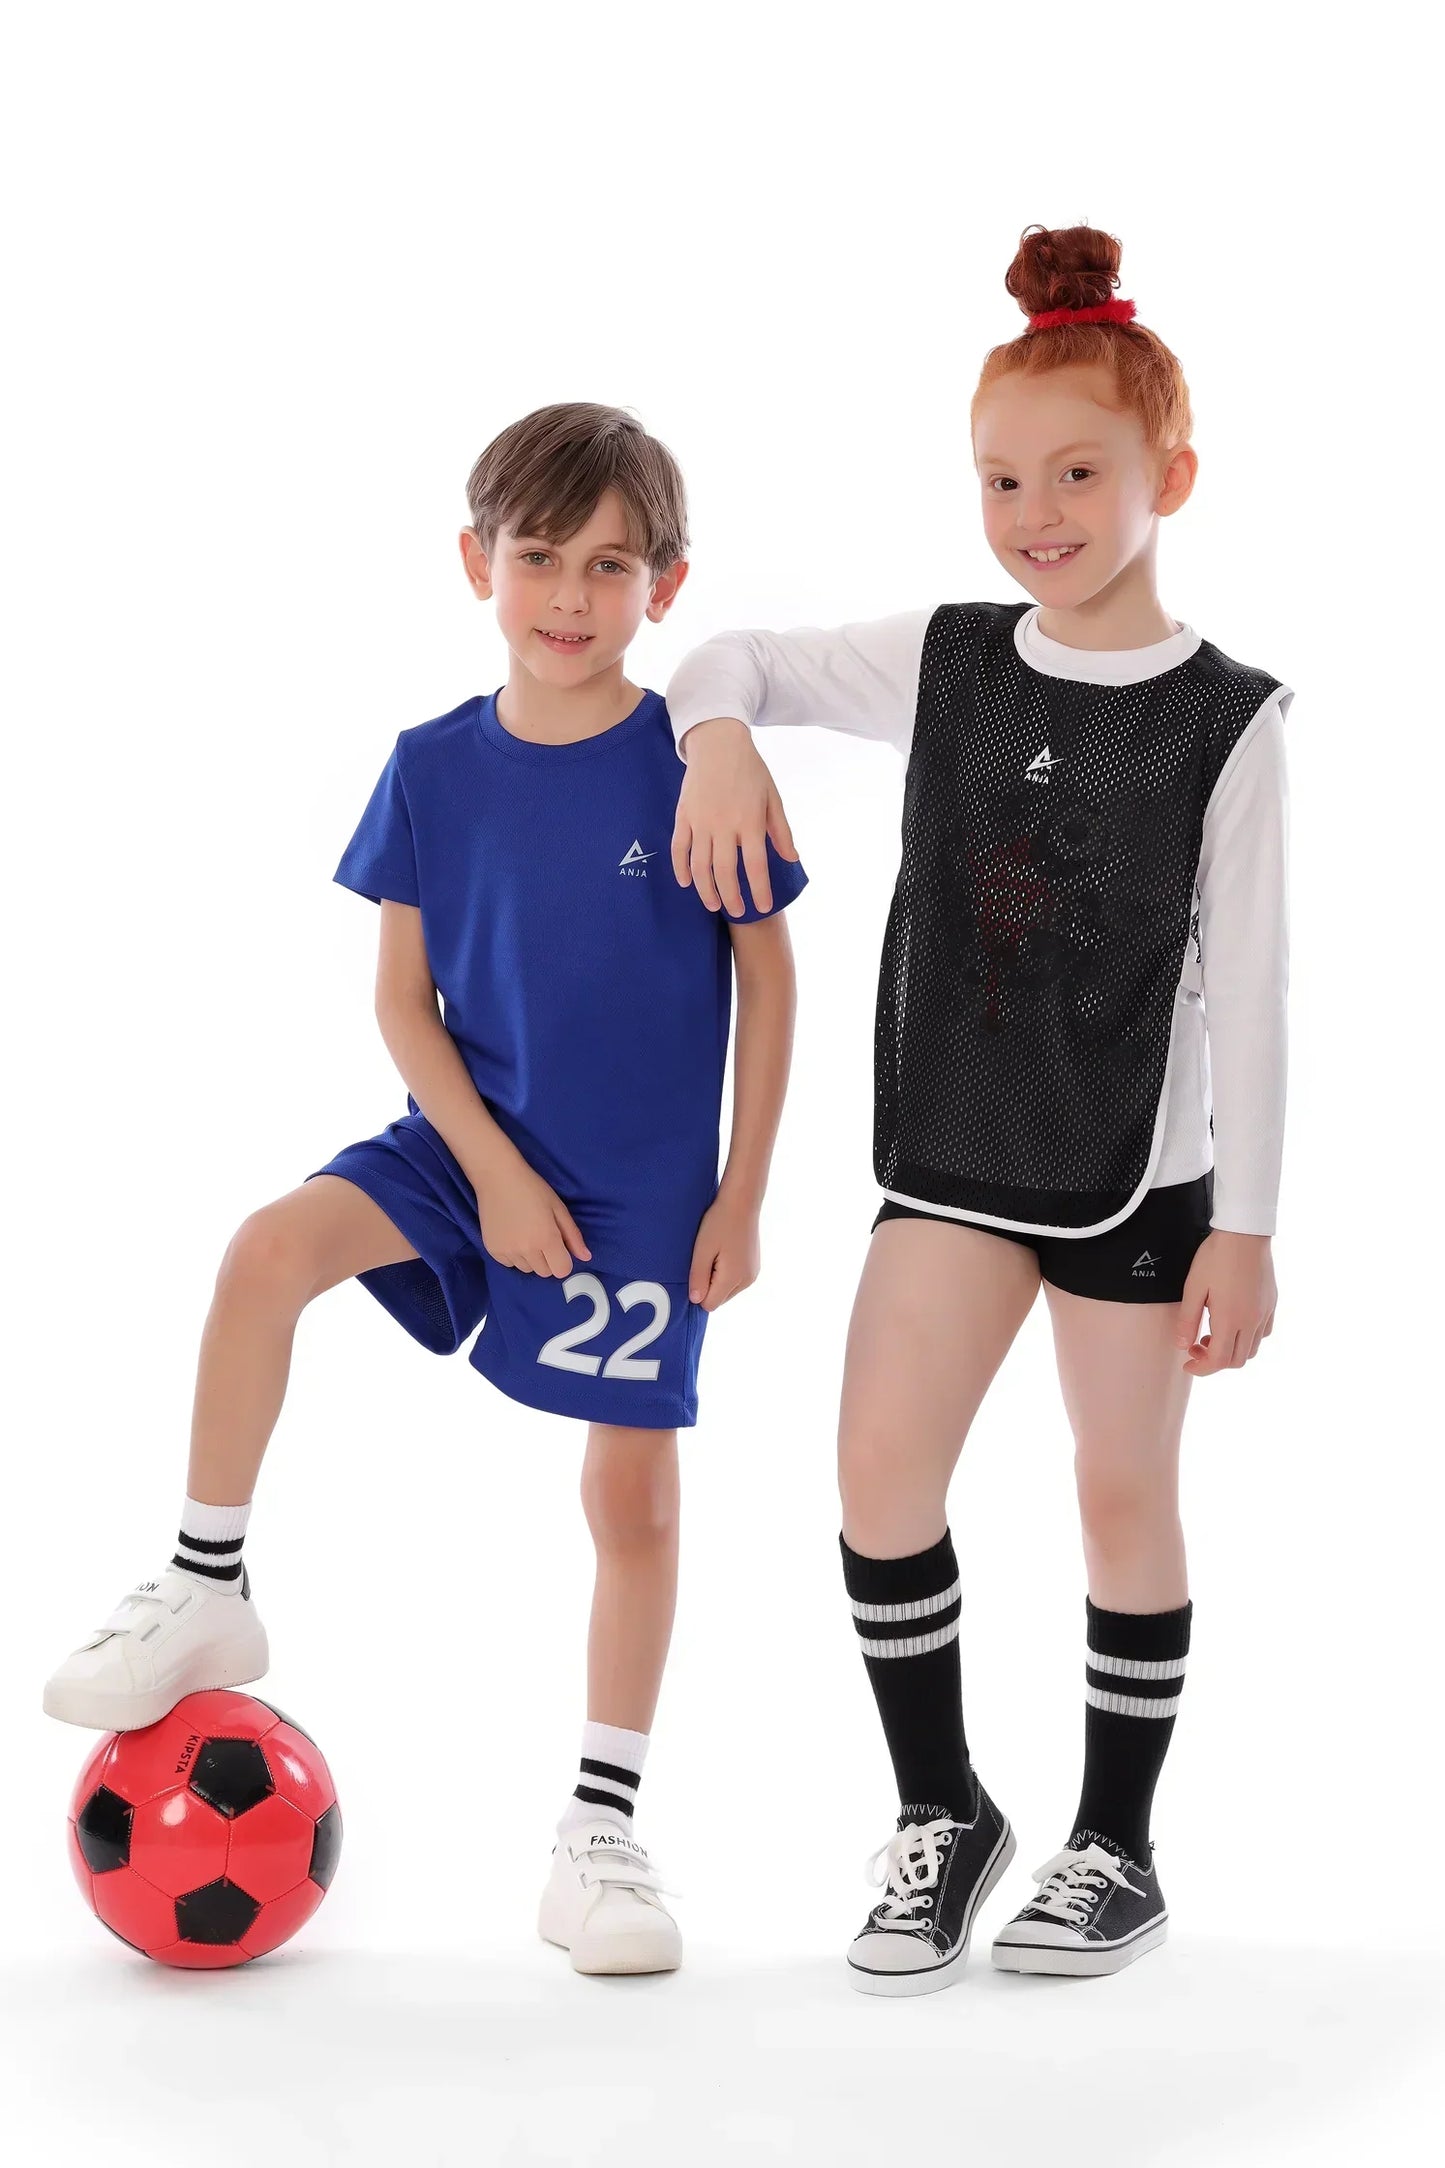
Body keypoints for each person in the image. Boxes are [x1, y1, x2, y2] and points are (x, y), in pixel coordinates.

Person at [44, 401, 805, 1978]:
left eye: (610, 565)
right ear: (478, 560)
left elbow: (771, 978)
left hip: (640, 1197)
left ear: (665, 582)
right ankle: (204, 1582)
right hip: (469, 1149)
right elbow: (402, 1003)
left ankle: (598, 1832)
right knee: (267, 1252)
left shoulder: (692, 758)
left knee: (633, 1498)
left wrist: (741, 1193)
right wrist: (490, 1171)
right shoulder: (429, 767)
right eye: (540, 558)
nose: (571, 597)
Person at [666, 225, 1290, 1993]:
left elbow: (1247, 983)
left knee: (1116, 1496)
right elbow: (735, 660)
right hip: (954, 1147)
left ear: (1168, 477)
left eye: (1078, 473)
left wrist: (1242, 1223)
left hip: (1137, 1182)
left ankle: (1116, 1845)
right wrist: (719, 740)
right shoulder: (943, 657)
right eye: (1003, 476)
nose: (1037, 509)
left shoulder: (1227, 720)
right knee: (879, 1476)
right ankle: (942, 1811)